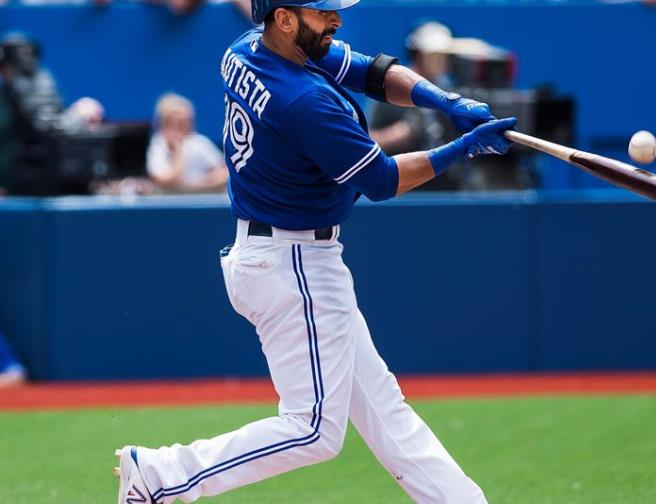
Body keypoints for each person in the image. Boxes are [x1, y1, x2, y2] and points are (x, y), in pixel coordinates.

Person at [113, 1, 515, 503]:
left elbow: (372, 72)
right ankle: (161, 475)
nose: (336, 20)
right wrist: (462, 148)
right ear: (284, 18)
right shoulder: (302, 100)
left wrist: (445, 99)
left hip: (279, 253)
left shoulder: (248, 49)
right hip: (293, 264)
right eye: (322, 12)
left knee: (383, 409)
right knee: (313, 431)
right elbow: (381, 180)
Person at [0, 32, 104, 195]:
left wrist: (78, 116)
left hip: (37, 185)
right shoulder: (7, 92)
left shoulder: (38, 82)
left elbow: (48, 126)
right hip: (15, 186)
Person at [367, 21, 459, 190]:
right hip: (405, 191)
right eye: (434, 54)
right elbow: (367, 142)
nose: (440, 61)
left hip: (446, 191)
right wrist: (402, 132)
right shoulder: (391, 89)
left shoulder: (453, 95)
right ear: (417, 54)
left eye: (445, 55)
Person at [146, 93, 229, 193]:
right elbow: (167, 181)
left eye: (188, 122)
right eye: (178, 123)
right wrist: (178, 150)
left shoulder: (199, 143)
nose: (186, 128)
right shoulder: (158, 145)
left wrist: (200, 185)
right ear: (164, 124)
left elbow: (225, 173)